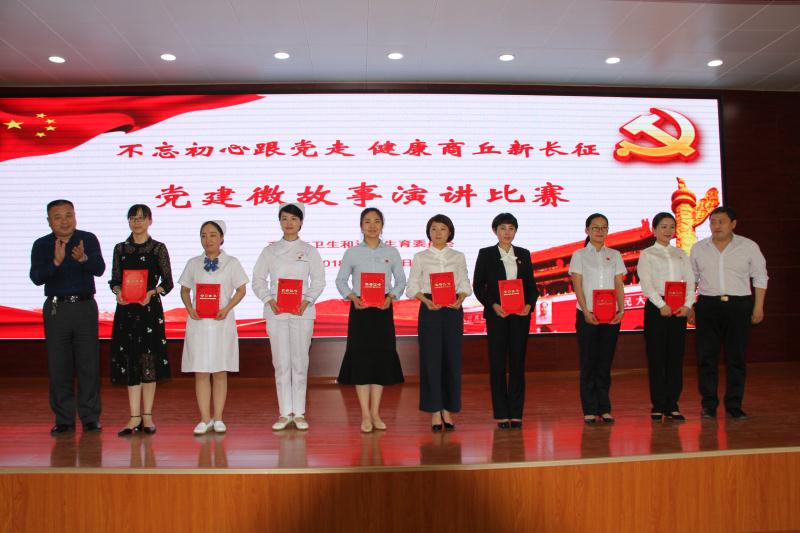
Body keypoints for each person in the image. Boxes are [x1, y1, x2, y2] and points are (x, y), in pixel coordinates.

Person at [30, 199, 106, 434]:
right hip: (57, 309)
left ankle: (90, 417)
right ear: (49, 221)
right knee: (59, 365)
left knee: (88, 365)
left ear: (75, 216)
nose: (64, 221)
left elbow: (100, 269)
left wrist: (84, 259)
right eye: (58, 217)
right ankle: (64, 419)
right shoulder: (42, 244)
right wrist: (55, 262)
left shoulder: (88, 239)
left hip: (84, 307)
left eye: (68, 215)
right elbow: (36, 277)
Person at [252, 203, 325, 431]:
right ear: (279, 222)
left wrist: (307, 300)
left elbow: (319, 281)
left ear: (301, 222)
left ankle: (299, 413)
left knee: (300, 362)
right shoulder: (270, 251)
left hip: (302, 311)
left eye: (293, 219)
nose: (289, 223)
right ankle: (285, 413)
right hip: (276, 311)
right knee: (281, 363)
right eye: (284, 218)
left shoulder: (310, 251)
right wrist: (268, 299)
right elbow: (258, 280)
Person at [689, 206, 767, 420]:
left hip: (739, 306)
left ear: (733, 224)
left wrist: (758, 306)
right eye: (713, 222)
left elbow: (760, 277)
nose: (716, 226)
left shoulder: (749, 246)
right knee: (706, 358)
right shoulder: (699, 248)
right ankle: (709, 405)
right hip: (708, 306)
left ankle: (734, 405)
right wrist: (690, 306)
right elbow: (691, 279)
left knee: (736, 358)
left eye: (721, 222)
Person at [336, 207, 406, 433]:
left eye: (377, 221)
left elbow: (401, 281)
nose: (372, 226)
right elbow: (341, 280)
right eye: (367, 221)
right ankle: (365, 415)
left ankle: (375, 413)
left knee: (379, 361)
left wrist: (391, 296)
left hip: (383, 310)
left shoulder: (392, 252)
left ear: (382, 225)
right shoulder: (352, 253)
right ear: (361, 226)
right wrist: (352, 297)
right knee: (362, 361)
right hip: (360, 311)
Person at [109, 204, 173, 436]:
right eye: (133, 218)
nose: (137, 222)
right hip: (126, 312)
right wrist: (118, 292)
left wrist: (152, 292)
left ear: (150, 221)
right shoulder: (120, 248)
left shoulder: (158, 248)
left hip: (149, 311)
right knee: (130, 361)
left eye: (141, 218)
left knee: (148, 361)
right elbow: (115, 279)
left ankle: (147, 416)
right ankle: (133, 416)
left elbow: (168, 282)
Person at [179, 221, 248, 435]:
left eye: (212, 235)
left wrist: (227, 308)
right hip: (198, 323)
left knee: (219, 371)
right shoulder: (193, 263)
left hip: (221, 323)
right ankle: (204, 419)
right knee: (200, 372)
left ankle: (218, 418)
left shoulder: (232, 263)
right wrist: (189, 308)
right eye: (203, 235)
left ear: (221, 238)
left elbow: (241, 289)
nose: (207, 240)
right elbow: (184, 290)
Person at [406, 214, 472, 431]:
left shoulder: (458, 256)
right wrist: (425, 300)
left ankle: (448, 409)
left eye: (443, 229)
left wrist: (461, 298)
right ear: (428, 232)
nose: (438, 233)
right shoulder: (420, 257)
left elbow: (465, 283)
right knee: (431, 361)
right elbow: (411, 287)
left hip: (453, 310)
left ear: (450, 232)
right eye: (434, 229)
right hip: (430, 309)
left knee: (452, 360)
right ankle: (435, 410)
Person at [472, 213, 538, 429]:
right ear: (495, 231)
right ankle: (501, 413)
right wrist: (492, 305)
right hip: (497, 316)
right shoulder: (486, 254)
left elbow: (532, 287)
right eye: (503, 228)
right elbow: (478, 285)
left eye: (511, 228)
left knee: (518, 364)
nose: (507, 232)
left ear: (516, 231)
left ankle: (516, 413)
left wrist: (528, 305)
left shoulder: (524, 254)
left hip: (520, 317)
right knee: (498, 364)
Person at [637, 212, 694, 422]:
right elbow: (646, 284)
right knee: (657, 357)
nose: (668, 230)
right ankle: (658, 405)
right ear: (654, 230)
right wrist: (661, 305)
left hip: (679, 309)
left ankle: (673, 405)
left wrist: (688, 305)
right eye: (663, 226)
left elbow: (690, 281)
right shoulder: (647, 254)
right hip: (657, 308)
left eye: (671, 226)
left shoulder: (681, 254)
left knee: (675, 357)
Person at [569, 213, 626, 424]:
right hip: (587, 315)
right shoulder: (579, 255)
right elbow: (577, 285)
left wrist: (622, 309)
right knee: (588, 362)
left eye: (604, 227)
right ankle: (589, 409)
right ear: (587, 230)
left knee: (605, 363)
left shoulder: (615, 255)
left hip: (610, 317)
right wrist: (586, 311)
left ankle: (605, 408)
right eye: (595, 227)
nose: (600, 231)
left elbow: (618, 284)